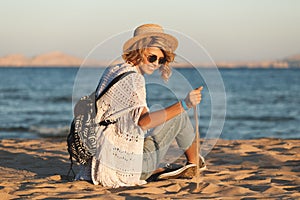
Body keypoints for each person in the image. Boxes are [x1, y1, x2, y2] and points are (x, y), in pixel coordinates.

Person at [75, 23, 205, 188]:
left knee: (165, 117)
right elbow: (143, 122)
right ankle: (194, 163)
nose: (155, 64)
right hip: (126, 167)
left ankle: (173, 167)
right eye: (151, 57)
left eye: (161, 60)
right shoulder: (134, 79)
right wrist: (185, 104)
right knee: (180, 115)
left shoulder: (115, 71)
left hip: (102, 159)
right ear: (138, 51)